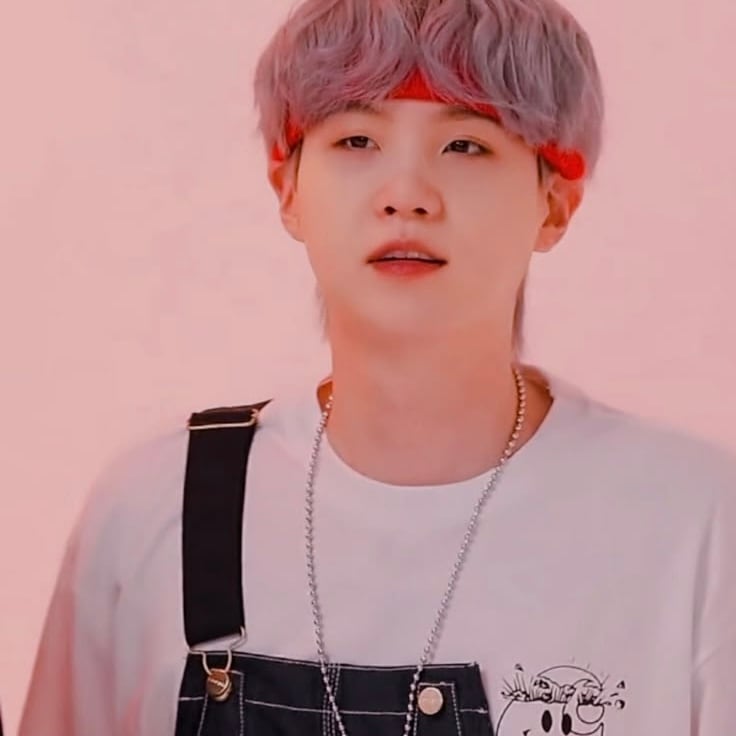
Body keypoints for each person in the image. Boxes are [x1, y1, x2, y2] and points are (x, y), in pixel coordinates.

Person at [19, 0, 736, 734]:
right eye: (357, 139)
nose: (406, 197)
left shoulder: (693, 519)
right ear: (288, 189)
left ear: (555, 202)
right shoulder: (158, 506)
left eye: (465, 145)